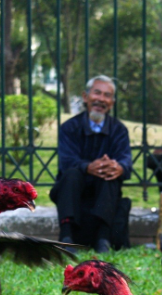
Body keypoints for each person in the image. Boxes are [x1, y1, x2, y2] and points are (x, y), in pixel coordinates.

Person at [50, 75, 133, 253]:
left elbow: (126, 161)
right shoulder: (69, 127)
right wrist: (88, 167)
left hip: (104, 194)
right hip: (75, 192)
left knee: (110, 174)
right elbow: (66, 162)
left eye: (107, 95)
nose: (101, 99)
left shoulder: (119, 130)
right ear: (85, 97)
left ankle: (103, 239)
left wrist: (118, 167)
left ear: (112, 102)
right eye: (97, 93)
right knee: (71, 174)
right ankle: (67, 237)